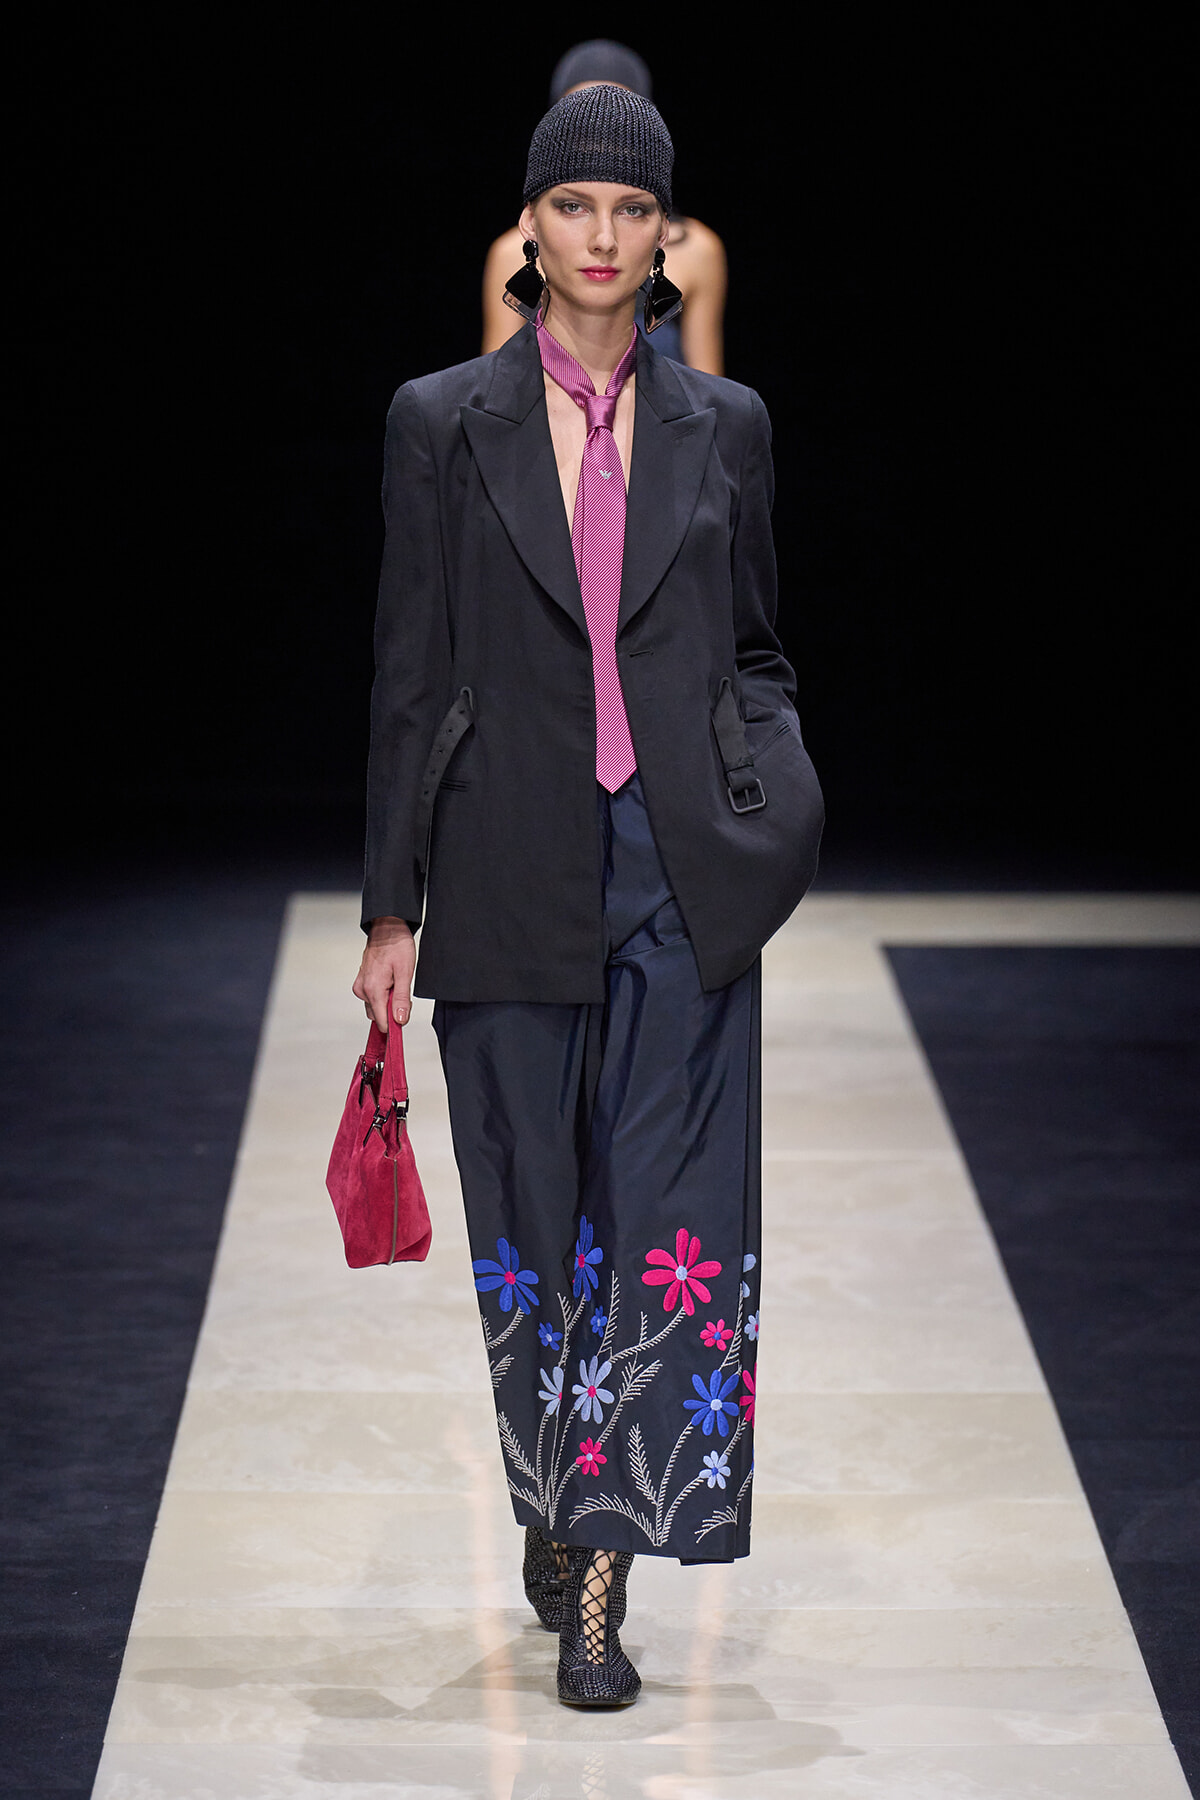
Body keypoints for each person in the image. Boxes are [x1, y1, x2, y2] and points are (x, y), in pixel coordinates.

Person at [354, 83, 822, 1709]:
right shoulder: (442, 422)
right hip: (502, 863)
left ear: (667, 237)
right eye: (578, 208)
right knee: (535, 1221)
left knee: (664, 1220)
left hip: (681, 875)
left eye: (636, 212)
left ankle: (605, 1579)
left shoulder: (728, 425)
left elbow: (755, 645)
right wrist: (388, 911)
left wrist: (770, 805)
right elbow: (409, 677)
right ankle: (551, 1497)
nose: (606, 239)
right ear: (530, 229)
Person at [482, 40, 727, 373]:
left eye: (619, 113)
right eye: (582, 112)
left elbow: (709, 396)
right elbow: (491, 390)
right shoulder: (512, 250)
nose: (601, 126)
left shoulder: (699, 249)